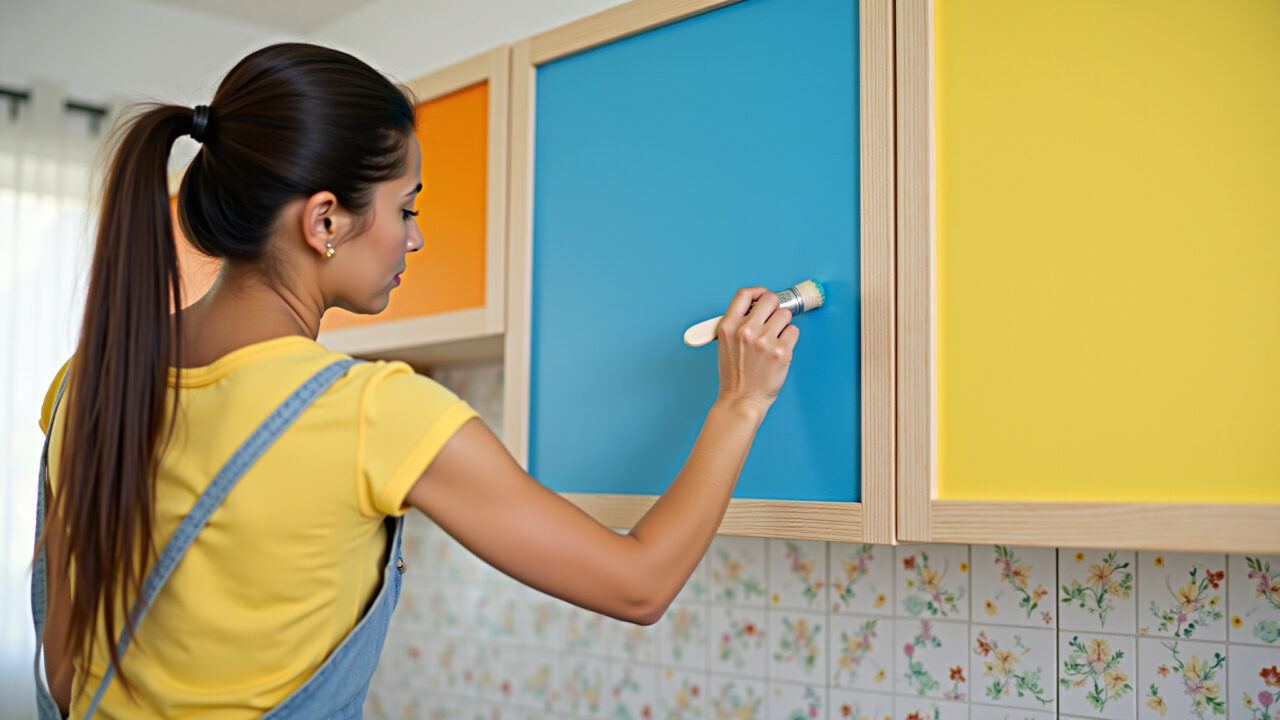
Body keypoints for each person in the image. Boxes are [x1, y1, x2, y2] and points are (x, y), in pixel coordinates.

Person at [31, 42, 799, 719]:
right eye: (407, 206)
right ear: (324, 221)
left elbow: (65, 675)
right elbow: (639, 585)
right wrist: (740, 402)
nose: (417, 235)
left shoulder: (85, 388)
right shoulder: (373, 412)